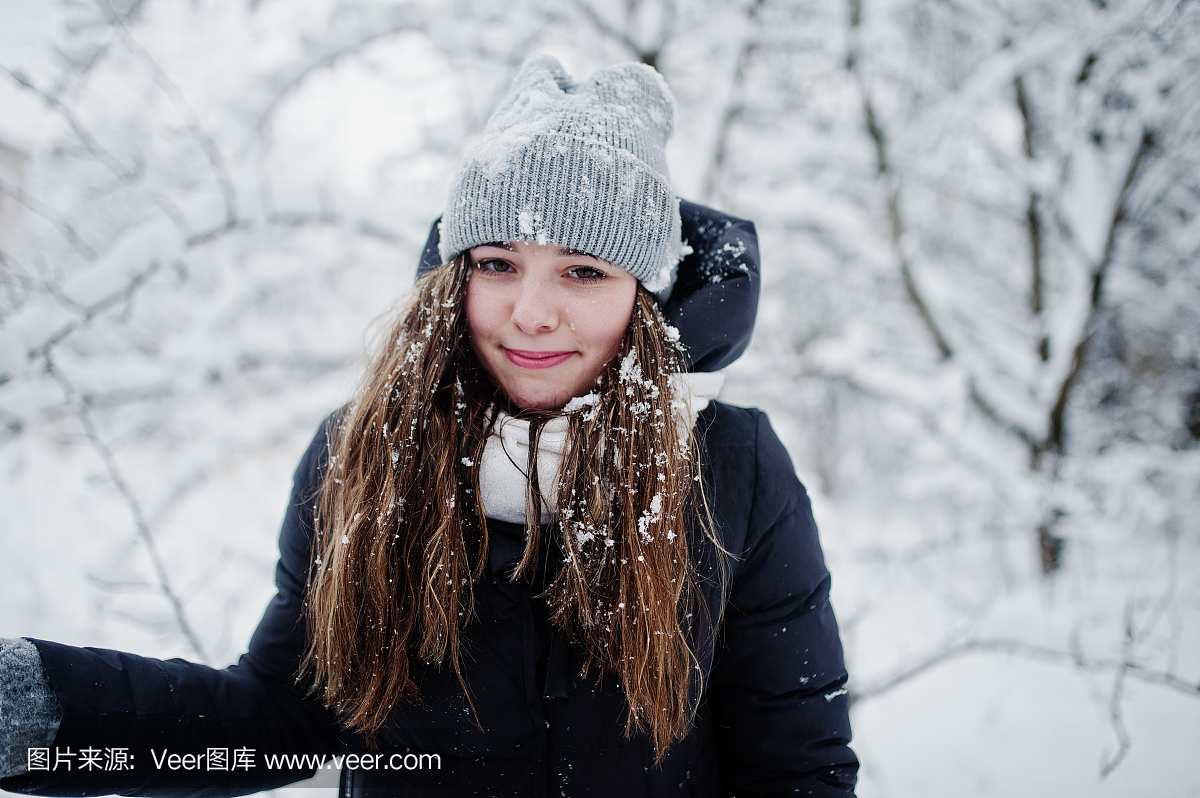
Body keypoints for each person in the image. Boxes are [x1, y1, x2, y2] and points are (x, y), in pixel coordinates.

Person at [0, 55, 858, 797]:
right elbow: (281, 714)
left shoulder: (729, 469)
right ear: (456, 277)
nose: (532, 313)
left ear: (643, 296)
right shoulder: (364, 456)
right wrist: (28, 707)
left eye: (584, 272)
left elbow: (796, 769)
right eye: (498, 263)